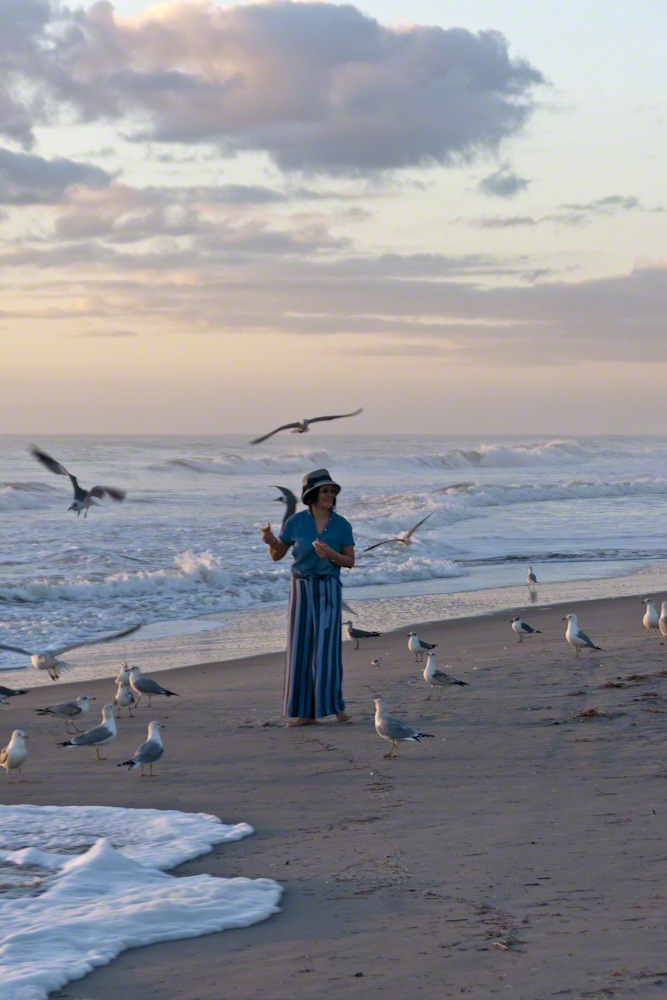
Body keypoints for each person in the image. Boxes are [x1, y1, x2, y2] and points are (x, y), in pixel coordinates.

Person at [260, 468, 355, 726]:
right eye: (324, 490)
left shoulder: (342, 524)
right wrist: (270, 541)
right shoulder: (295, 522)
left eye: (332, 491)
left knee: (327, 649)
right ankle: (305, 713)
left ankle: (336, 707)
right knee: (299, 648)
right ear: (311, 494)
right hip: (300, 588)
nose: (330, 494)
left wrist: (331, 555)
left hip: (328, 587)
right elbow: (278, 555)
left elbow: (350, 561)